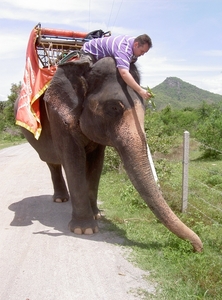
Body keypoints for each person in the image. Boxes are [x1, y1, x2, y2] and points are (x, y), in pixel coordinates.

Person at [79, 34, 153, 100]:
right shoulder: (124, 49)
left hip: (106, 56)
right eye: (142, 51)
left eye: (144, 52)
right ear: (136, 44)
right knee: (81, 80)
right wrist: (140, 91)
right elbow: (124, 73)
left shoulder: (134, 42)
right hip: (91, 53)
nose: (143, 54)